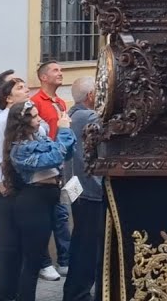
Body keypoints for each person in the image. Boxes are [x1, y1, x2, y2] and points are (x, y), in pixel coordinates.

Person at [4, 100, 76, 301]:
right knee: (32, 260)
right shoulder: (19, 149)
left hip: (50, 199)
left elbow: (66, 153)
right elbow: (54, 157)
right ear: (23, 122)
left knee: (35, 259)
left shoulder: (40, 139)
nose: (40, 119)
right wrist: (63, 131)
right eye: (34, 116)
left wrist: (65, 132)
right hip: (32, 203)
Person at [0, 71, 32, 301]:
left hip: (26, 192)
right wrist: (0, 185)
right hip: (5, 193)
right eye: (20, 88)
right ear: (8, 98)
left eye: (25, 86)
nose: (26, 90)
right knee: (6, 248)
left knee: (22, 248)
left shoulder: (31, 119)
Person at [62, 77, 107, 301]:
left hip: (74, 186)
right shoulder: (90, 117)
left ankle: (74, 292)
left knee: (81, 239)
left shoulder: (70, 115)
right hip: (89, 189)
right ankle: (78, 293)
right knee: (88, 245)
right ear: (91, 96)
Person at [30, 61, 70, 280]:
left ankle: (65, 260)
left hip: (61, 165)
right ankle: (44, 262)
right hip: (45, 165)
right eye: (56, 70)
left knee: (62, 215)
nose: (61, 73)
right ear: (43, 77)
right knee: (46, 216)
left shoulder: (62, 103)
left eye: (61, 70)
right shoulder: (35, 102)